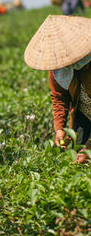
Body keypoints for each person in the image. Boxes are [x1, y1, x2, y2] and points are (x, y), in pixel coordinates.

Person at [24, 15, 91, 163]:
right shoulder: (58, 69)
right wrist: (60, 128)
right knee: (78, 156)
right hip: (84, 113)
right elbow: (59, 97)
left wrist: (89, 147)